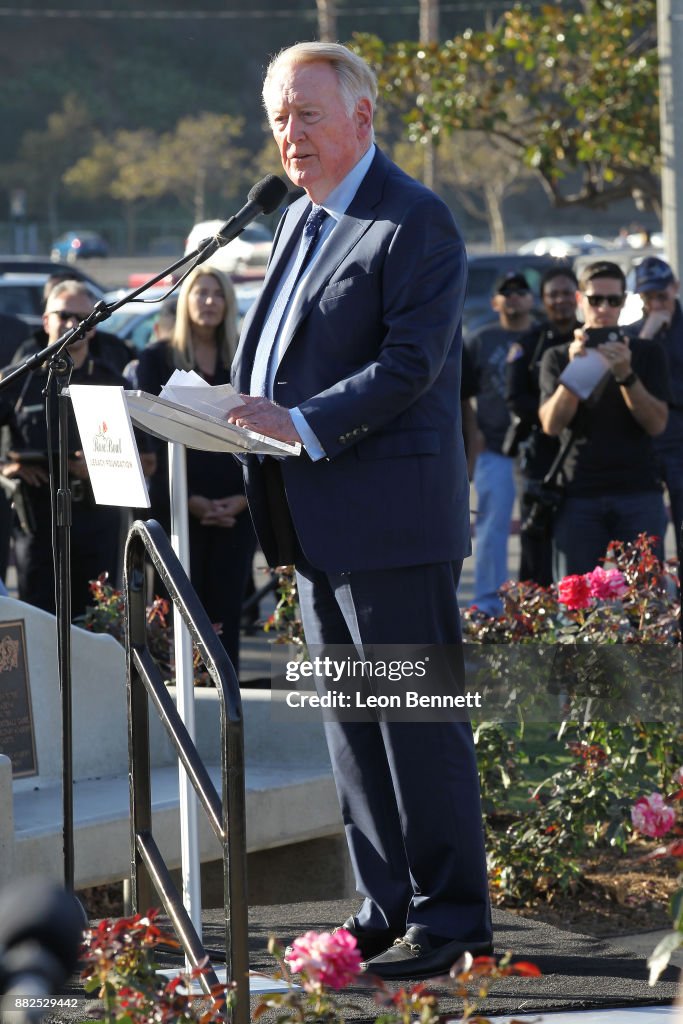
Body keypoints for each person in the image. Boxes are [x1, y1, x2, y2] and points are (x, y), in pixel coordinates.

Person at [227, 41, 492, 981]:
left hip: (390, 522)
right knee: (350, 725)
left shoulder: (413, 221)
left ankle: (452, 920)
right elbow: (278, 362)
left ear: (362, 117)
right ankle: (385, 908)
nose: (288, 136)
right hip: (312, 520)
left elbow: (410, 367)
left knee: (415, 727)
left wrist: (294, 420)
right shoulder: (298, 221)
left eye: (305, 114)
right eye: (277, 119)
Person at [136, 265, 255, 676]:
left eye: (217, 294)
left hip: (237, 509)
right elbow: (149, 440)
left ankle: (227, 717)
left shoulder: (246, 359)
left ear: (229, 303)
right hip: (176, 506)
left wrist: (242, 500)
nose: (209, 301)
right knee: (175, 618)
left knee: (226, 621)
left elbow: (260, 434)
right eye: (200, 293)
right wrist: (188, 502)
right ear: (185, 302)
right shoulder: (157, 359)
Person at [0, 280, 130, 617]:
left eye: (83, 317)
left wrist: (101, 464)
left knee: (98, 620)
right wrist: (6, 467)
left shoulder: (112, 382)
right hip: (37, 520)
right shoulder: (18, 379)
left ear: (95, 326)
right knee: (39, 620)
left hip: (96, 518)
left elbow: (146, 458)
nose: (74, 324)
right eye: (64, 315)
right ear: (46, 321)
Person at [539, 260, 669, 579]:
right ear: (582, 300)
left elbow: (657, 424)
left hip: (637, 489)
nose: (604, 308)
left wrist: (626, 374)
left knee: (646, 609)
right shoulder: (557, 356)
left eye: (614, 300)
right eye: (596, 299)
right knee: (579, 611)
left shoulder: (647, 353)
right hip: (579, 493)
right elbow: (551, 425)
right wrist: (576, 371)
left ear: (624, 303)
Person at [464, 271, 534, 616]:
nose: (514, 297)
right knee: (492, 527)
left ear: (531, 299)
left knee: (540, 529)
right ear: (495, 302)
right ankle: (489, 602)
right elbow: (467, 398)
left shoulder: (542, 336)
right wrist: (473, 441)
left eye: (521, 291)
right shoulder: (481, 340)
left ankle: (536, 599)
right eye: (506, 292)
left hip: (540, 451)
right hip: (495, 448)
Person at [505, 267, 579, 586]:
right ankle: (533, 624)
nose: (560, 301)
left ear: (577, 297)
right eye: (553, 295)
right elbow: (514, 397)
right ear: (543, 300)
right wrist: (554, 412)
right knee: (536, 547)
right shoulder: (529, 344)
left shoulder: (590, 339)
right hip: (541, 460)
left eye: (566, 293)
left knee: (579, 548)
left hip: (582, 458)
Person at [632, 256, 683, 562]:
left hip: (679, 433)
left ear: (675, 289)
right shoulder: (635, 332)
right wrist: (647, 336)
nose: (656, 304)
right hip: (647, 438)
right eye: (648, 297)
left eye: (661, 296)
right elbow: (624, 376)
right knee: (647, 532)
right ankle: (654, 602)